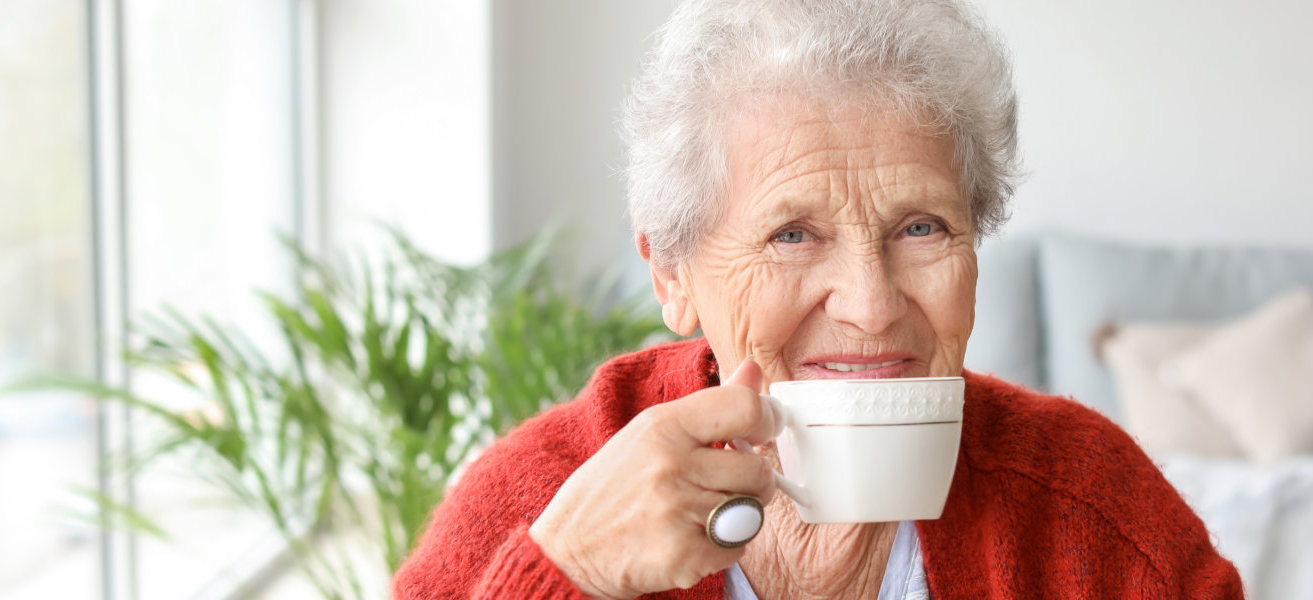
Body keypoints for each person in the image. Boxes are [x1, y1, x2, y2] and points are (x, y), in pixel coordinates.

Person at [393, 0, 1244, 597]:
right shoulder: (544, 499)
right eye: (792, 235)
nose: (872, 306)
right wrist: (565, 575)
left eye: (921, 228)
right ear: (672, 275)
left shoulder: (1094, 508)